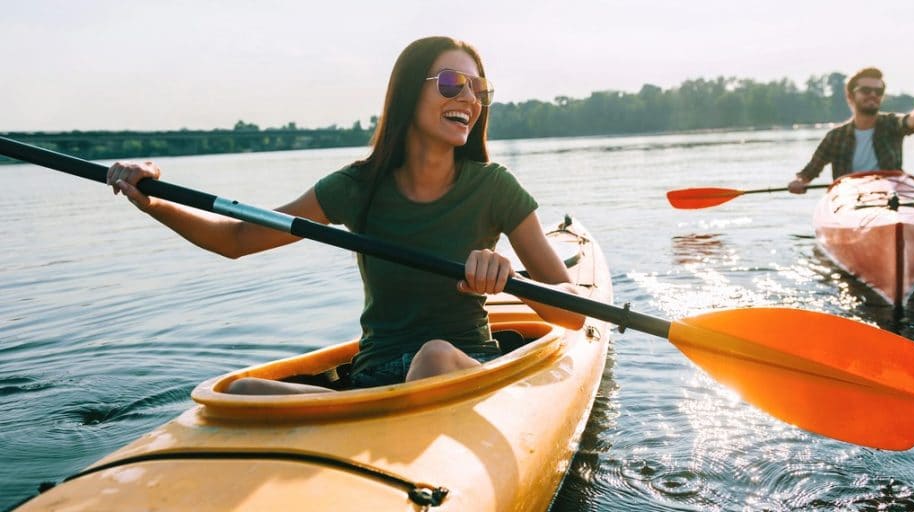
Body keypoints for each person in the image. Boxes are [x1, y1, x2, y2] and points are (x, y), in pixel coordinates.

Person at [105, 36, 584, 394]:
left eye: (479, 90)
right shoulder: (356, 187)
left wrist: (508, 278)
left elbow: (573, 312)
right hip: (374, 379)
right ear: (407, 93)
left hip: (460, 366)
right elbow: (236, 238)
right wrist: (152, 200)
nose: (470, 99)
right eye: (452, 83)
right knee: (241, 390)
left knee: (434, 357)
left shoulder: (494, 187)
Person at [788, 67, 914, 194]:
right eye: (866, 90)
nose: (873, 94)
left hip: (891, 195)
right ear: (850, 96)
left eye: (878, 91)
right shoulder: (835, 137)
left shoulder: (891, 124)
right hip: (849, 199)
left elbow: (911, 120)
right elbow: (808, 172)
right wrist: (799, 182)